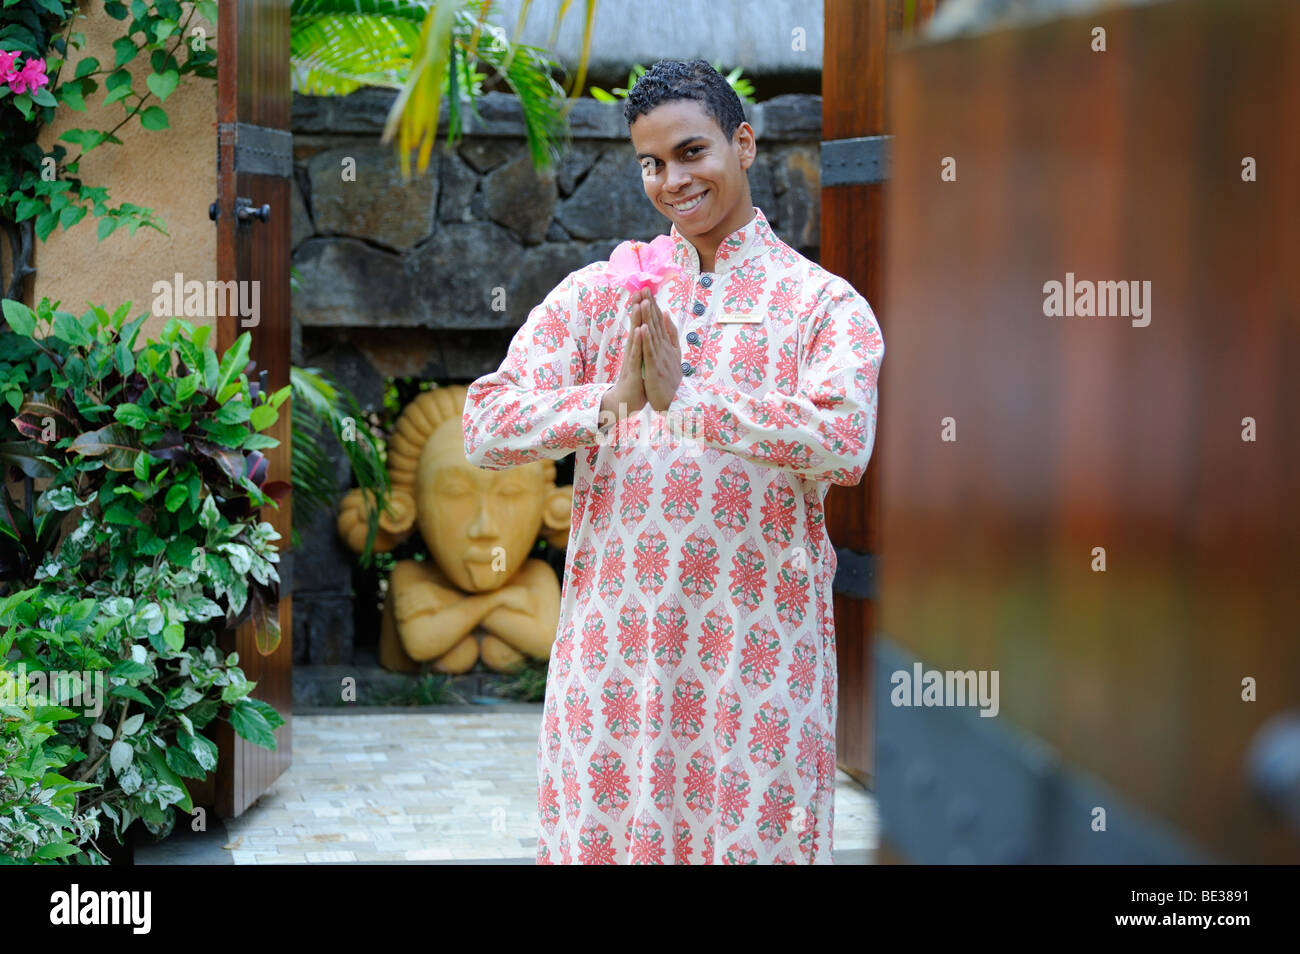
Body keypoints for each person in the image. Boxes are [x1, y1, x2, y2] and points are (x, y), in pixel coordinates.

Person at [463, 58, 884, 864]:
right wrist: (608, 402)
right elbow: (485, 424)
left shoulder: (823, 307)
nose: (671, 180)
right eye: (652, 164)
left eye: (692, 152)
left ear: (745, 143)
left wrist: (687, 399)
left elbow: (843, 442)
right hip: (613, 658)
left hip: (756, 659)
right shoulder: (600, 297)